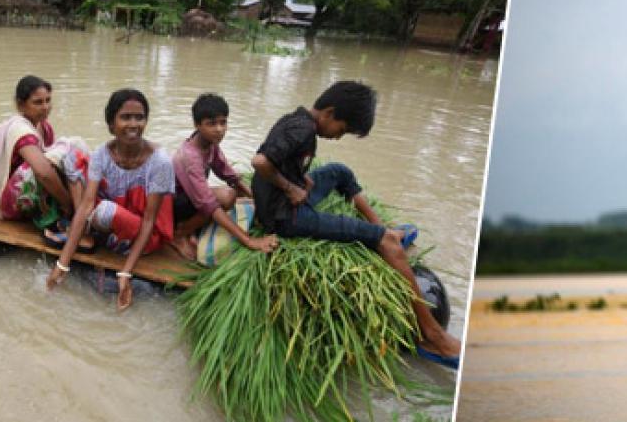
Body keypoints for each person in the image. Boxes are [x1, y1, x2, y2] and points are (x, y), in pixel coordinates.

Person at [250, 80, 462, 368]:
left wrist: (301, 177)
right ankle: (433, 335)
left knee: (338, 171)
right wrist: (291, 188)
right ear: (329, 112)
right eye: (344, 129)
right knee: (386, 243)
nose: (340, 136)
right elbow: (260, 162)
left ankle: (381, 226)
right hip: (287, 216)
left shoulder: (298, 121)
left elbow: (278, 160)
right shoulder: (302, 129)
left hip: (288, 200)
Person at [45, 88, 179, 311]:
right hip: (123, 216)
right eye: (126, 117)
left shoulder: (159, 162)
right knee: (73, 161)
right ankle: (85, 237)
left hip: (148, 234)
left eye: (139, 117)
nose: (134, 124)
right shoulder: (102, 154)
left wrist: (125, 272)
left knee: (105, 210)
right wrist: (62, 264)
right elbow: (86, 205)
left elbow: (148, 221)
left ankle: (104, 240)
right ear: (111, 124)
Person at [0, 76, 90, 244]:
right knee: (67, 150)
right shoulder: (20, 128)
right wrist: (67, 203)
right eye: (38, 102)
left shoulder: (44, 126)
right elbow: (44, 173)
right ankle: (73, 215)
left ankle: (78, 215)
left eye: (48, 100)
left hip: (25, 196)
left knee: (72, 151)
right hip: (5, 203)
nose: (45, 107)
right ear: (21, 105)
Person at [172, 93, 277, 255]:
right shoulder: (190, 157)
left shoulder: (209, 143)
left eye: (223, 122)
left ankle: (190, 227)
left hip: (189, 198)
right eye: (211, 124)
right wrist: (249, 240)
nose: (219, 129)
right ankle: (179, 234)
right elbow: (208, 205)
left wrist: (257, 201)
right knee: (226, 196)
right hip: (174, 204)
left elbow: (228, 174)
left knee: (231, 193)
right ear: (197, 125)